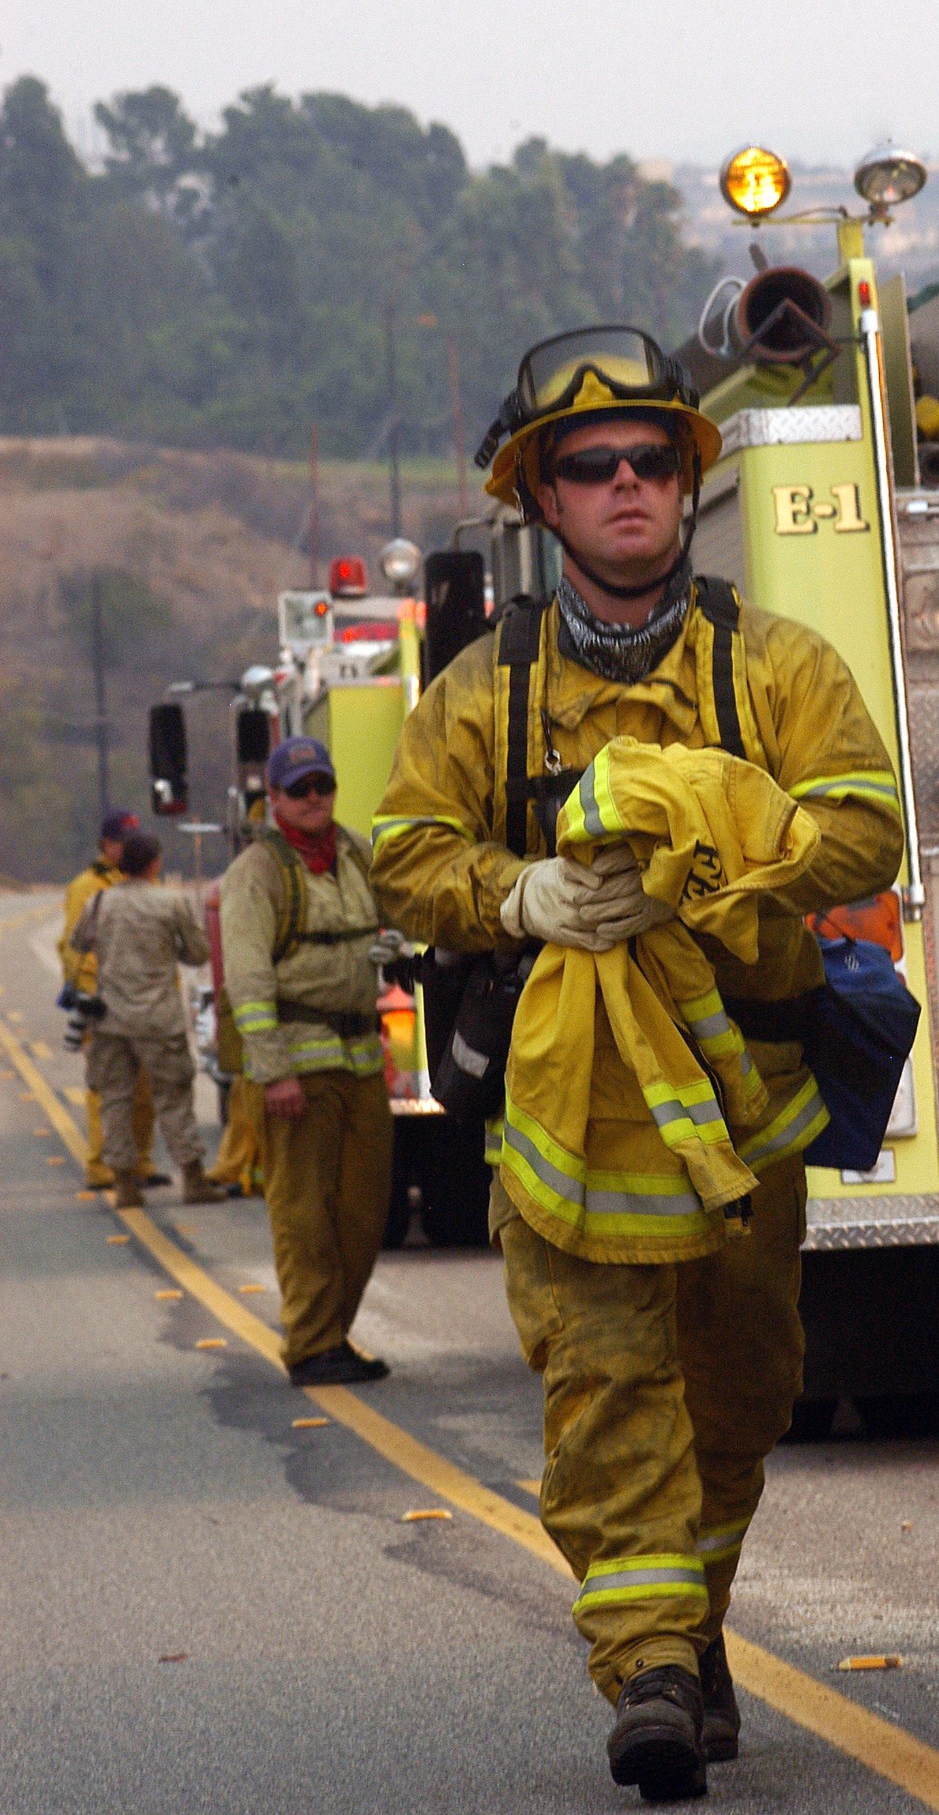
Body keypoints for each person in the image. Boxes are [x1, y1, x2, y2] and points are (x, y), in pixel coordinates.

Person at [370, 329, 903, 1801]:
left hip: (745, 1118)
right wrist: (520, 897)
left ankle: (695, 1624)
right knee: (605, 1391)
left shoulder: (774, 665)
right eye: (589, 466)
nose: (625, 486)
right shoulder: (484, 691)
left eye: (651, 461)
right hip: (568, 1121)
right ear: (541, 497)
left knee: (736, 1395)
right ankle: (653, 1672)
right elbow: (406, 857)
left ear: (685, 480)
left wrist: (711, 861)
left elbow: (863, 830)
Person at [219, 736, 392, 1389]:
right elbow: (247, 981)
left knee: (361, 1213)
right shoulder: (256, 874)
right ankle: (313, 1344)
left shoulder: (354, 854)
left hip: (362, 1061)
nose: (314, 798)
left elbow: (395, 913)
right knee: (303, 1214)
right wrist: (274, 1072)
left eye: (322, 784)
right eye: (299, 789)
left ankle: (331, 1335)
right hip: (296, 1068)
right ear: (275, 799)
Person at [72, 830, 223, 1211]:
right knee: (173, 1098)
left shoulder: (99, 901)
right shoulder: (169, 902)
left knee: (115, 1101)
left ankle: (125, 1185)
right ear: (154, 863)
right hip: (159, 1018)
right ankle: (192, 1178)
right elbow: (197, 954)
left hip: (110, 1019)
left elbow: (79, 944)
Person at [58, 809, 164, 1190]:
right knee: (107, 1086)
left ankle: (139, 1160)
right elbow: (74, 949)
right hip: (104, 1002)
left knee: (145, 1086)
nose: (129, 847)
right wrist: (97, 991)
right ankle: (101, 1164)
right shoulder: (88, 887)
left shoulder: (143, 883)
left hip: (143, 1003)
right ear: (106, 845)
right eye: (122, 841)